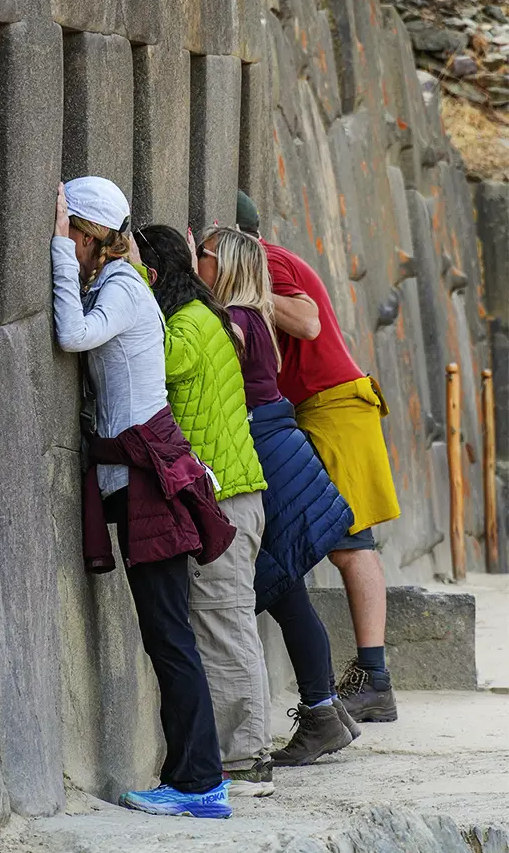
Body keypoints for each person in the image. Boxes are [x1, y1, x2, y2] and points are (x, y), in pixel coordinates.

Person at [51, 176, 232, 819]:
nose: (68, 244)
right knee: (167, 635)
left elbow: (72, 335)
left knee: (169, 636)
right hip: (137, 476)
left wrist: (51, 250)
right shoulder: (121, 283)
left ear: (94, 237)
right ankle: (194, 778)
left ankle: (199, 784)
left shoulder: (125, 289)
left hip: (149, 479)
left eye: (74, 234)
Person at [196, 225, 359, 766]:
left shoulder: (237, 323)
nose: (198, 263)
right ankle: (323, 711)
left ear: (228, 266)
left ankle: (318, 713)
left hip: (264, 449)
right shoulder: (257, 321)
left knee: (282, 590)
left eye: (204, 256)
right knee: (290, 592)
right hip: (276, 442)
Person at [236, 190, 400, 723]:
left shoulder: (267, 261)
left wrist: (246, 292)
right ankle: (361, 680)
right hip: (316, 409)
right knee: (339, 542)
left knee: (351, 544)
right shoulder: (268, 262)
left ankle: (374, 679)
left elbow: (304, 323)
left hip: (332, 406)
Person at [134, 225, 274, 797]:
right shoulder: (205, 315)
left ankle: (243, 761)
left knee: (223, 625)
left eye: (144, 273)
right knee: (225, 623)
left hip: (228, 500)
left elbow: (154, 361)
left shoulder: (189, 323)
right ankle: (238, 755)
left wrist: (127, 298)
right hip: (233, 495)